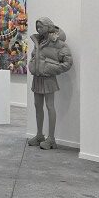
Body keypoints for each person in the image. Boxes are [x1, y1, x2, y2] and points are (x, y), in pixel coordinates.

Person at [27, 17, 74, 150]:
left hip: (48, 79)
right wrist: (32, 64)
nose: (38, 29)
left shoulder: (58, 43)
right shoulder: (38, 41)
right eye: (37, 27)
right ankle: (39, 135)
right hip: (37, 78)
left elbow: (67, 63)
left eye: (41, 27)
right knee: (37, 106)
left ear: (48, 27)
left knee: (50, 106)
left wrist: (50, 68)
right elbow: (34, 56)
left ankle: (51, 139)